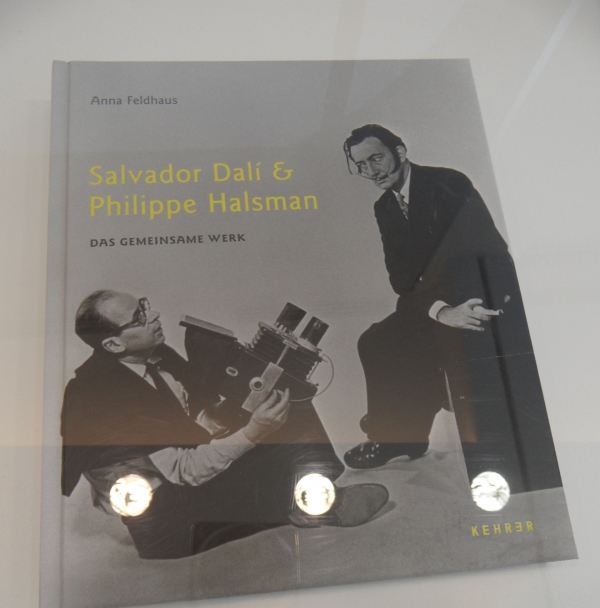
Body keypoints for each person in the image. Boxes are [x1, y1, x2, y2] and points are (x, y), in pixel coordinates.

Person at [61, 290, 388, 559]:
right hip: (169, 523)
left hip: (183, 481)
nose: (154, 315)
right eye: (139, 318)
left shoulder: (155, 357)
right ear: (113, 344)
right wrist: (254, 431)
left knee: (288, 398)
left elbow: (189, 425)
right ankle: (315, 504)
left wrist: (236, 409)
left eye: (144, 306)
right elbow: (184, 470)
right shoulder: (103, 396)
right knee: (265, 440)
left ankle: (309, 491)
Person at [342, 124, 561, 493]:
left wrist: (473, 308)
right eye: (361, 165)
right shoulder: (384, 207)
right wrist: (442, 311)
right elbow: (401, 280)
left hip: (478, 297)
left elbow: (489, 252)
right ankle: (401, 437)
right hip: (437, 305)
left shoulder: (447, 183)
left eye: (376, 158)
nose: (371, 171)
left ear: (400, 151)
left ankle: (501, 473)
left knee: (461, 353)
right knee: (376, 341)